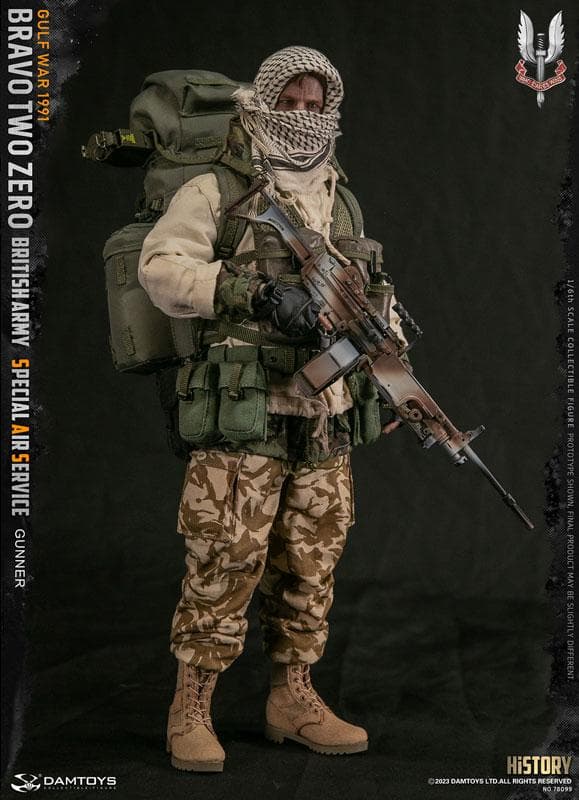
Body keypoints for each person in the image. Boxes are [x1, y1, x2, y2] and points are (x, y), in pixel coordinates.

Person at [138, 45, 405, 773]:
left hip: (324, 411)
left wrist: (389, 363)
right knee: (225, 556)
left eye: (314, 104)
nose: (302, 116)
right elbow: (161, 268)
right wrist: (251, 293)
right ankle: (190, 707)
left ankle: (292, 698)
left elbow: (366, 296)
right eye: (288, 102)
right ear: (263, 102)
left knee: (311, 560)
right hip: (245, 405)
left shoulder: (339, 198)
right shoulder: (217, 188)